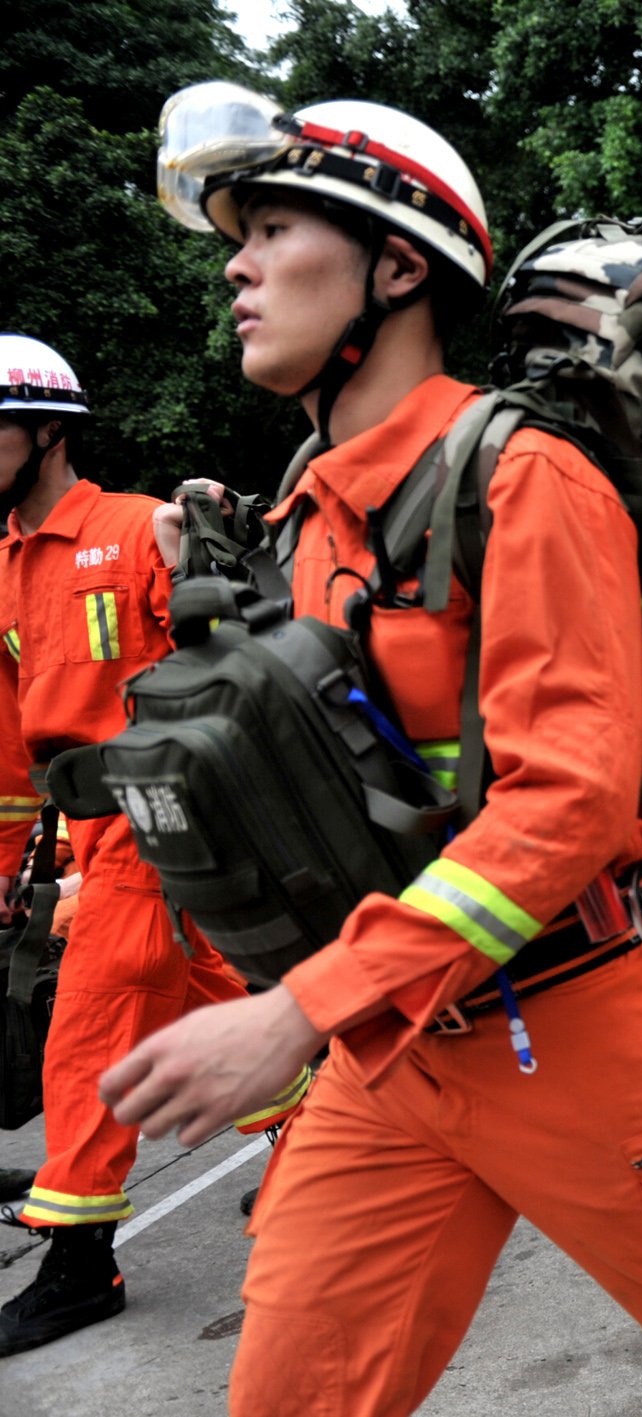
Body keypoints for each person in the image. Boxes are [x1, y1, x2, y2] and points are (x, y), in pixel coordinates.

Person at [101, 89, 642, 1415]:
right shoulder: (305, 514)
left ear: (397, 264)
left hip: (592, 1028)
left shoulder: (522, 478)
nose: (237, 265)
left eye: (275, 226)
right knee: (290, 1392)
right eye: (234, 237)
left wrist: (296, 1012)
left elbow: (568, 804)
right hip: (398, 1048)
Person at [0, 334, 309, 1358]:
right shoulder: (3, 568)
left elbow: (230, 664)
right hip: (91, 833)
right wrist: (13, 877)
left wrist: (209, 555)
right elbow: (11, 749)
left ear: (46, 433)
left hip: (167, 819)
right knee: (208, 990)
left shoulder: (138, 530)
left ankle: (81, 1262)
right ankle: (326, 1131)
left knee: (91, 1029)